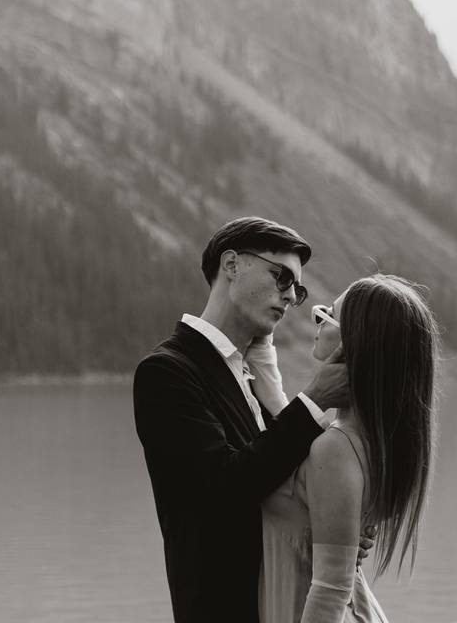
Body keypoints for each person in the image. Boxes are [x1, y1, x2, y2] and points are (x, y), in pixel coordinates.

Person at [133, 217, 373, 623]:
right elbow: (224, 488)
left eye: (298, 290)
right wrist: (314, 401)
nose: (290, 296)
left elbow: (278, 485)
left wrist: (337, 526)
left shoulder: (253, 377)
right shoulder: (167, 372)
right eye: (282, 277)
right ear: (231, 265)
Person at [254, 274, 440, 623]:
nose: (316, 318)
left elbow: (331, 589)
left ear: (357, 341)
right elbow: (282, 424)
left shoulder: (336, 448)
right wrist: (260, 344)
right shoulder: (372, 441)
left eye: (327, 315)